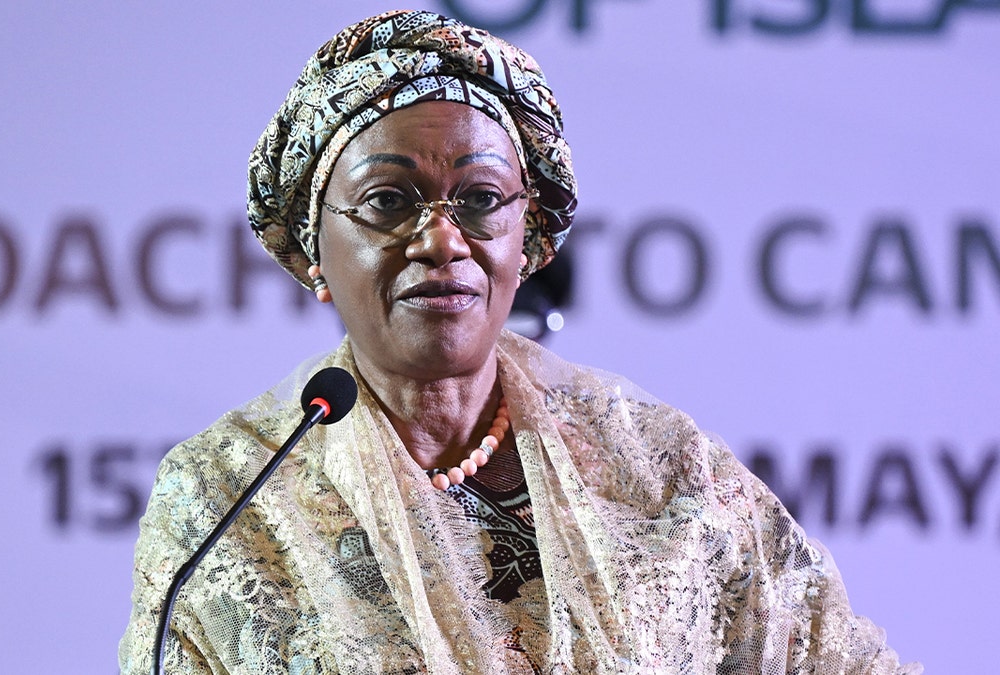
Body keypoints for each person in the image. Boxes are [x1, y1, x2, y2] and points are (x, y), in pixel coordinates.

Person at [120, 10, 919, 674]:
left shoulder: (661, 469)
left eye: (479, 198)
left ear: (528, 239)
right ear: (310, 251)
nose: (441, 240)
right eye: (389, 200)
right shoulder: (227, 501)